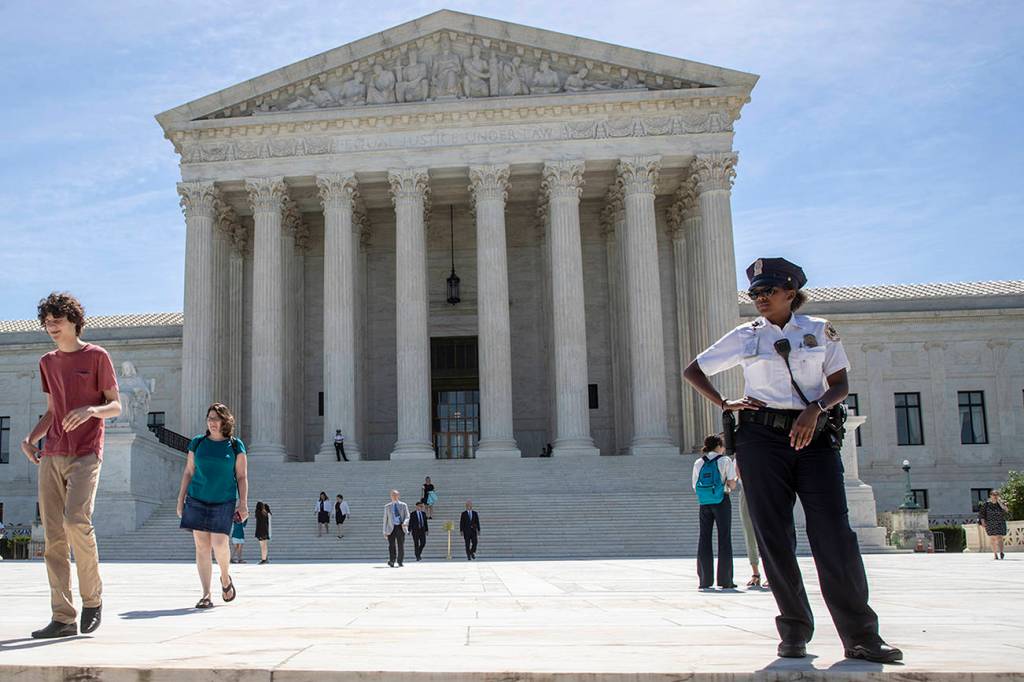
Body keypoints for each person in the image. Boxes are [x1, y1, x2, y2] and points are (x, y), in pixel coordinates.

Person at [683, 257, 902, 664]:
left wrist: (815, 409)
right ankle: (794, 631)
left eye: (768, 291)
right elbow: (694, 369)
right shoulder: (746, 335)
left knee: (835, 534)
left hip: (813, 437)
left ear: (790, 293)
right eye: (754, 293)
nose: (760, 299)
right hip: (761, 440)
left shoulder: (819, 331)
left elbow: (840, 384)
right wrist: (724, 402)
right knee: (774, 536)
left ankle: (862, 636)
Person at [21, 292, 121, 639]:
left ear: (74, 322)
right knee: (53, 538)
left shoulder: (97, 356)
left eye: (57, 321)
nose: (51, 327)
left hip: (86, 452)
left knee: (76, 520)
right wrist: (30, 438)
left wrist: (92, 410)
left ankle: (93, 598)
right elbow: (53, 411)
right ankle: (62, 617)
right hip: (52, 453)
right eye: (47, 322)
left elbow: (115, 406)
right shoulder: (47, 362)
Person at [176, 402, 248, 609]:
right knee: (201, 546)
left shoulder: (235, 445)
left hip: (223, 500)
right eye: (209, 419)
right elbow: (189, 471)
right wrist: (180, 499)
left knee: (219, 543)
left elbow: (241, 476)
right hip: (197, 498)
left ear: (225, 421)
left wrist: (243, 503)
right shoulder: (197, 443)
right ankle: (206, 594)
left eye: (216, 419)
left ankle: (225, 578)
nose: (212, 422)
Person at [692, 434, 737, 590]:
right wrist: (732, 483)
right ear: (718, 446)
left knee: (704, 538)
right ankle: (725, 580)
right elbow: (731, 484)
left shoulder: (699, 462)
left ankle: (704, 580)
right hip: (722, 500)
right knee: (724, 538)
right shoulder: (725, 460)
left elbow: (695, 485)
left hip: (704, 503)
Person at [736, 470, 769, 588]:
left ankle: (771, 574)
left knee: (768, 535)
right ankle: (755, 573)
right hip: (747, 490)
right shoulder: (739, 458)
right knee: (749, 534)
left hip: (766, 490)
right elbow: (738, 473)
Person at [979, 490, 1009, 559]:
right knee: (992, 538)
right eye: (994, 495)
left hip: (1000, 522)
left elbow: (1006, 510)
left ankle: (1001, 552)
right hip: (990, 523)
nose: (995, 496)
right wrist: (983, 522)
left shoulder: (1001, 503)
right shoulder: (986, 504)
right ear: (990, 496)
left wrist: (1000, 502)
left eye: (997, 495)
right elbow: (982, 514)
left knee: (1000, 537)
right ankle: (995, 554)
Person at [382, 490, 410, 567]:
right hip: (391, 528)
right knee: (391, 545)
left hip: (400, 527)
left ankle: (400, 561)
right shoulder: (387, 506)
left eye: (395, 495)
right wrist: (384, 531)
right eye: (393, 495)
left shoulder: (403, 505)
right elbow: (385, 519)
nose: (394, 496)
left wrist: (405, 523)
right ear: (390, 496)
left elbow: (407, 516)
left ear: (398, 496)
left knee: (401, 545)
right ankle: (392, 561)